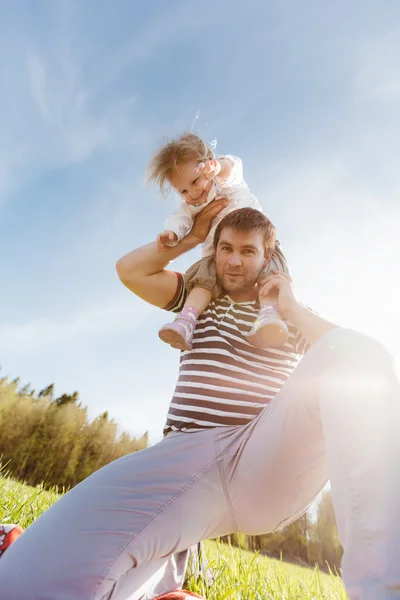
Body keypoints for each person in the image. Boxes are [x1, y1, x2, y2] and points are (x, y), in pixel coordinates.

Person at [0, 205, 399, 600]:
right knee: (21, 583)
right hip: (183, 459)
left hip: (262, 456)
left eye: (247, 251)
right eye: (225, 248)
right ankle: (160, 569)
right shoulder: (198, 300)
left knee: (352, 352)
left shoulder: (282, 314)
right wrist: (192, 238)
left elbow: (359, 361)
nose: (234, 261)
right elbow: (130, 271)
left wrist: (291, 308)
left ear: (268, 257)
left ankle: (384, 588)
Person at [148, 132, 289, 350]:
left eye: (195, 181)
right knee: (202, 281)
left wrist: (218, 167)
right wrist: (172, 234)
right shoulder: (190, 208)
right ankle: (186, 320)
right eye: (183, 190)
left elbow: (232, 168)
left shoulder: (224, 183)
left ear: (208, 164)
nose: (193, 193)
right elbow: (179, 220)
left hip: (259, 248)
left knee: (270, 277)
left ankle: (269, 314)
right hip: (217, 258)